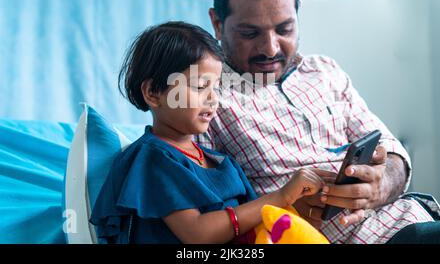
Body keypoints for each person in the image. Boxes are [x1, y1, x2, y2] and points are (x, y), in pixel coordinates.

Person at [196, 0, 440, 244]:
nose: (270, 48)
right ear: (217, 22)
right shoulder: (203, 98)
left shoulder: (324, 71)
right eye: (250, 33)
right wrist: (284, 207)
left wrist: (382, 183)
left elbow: (392, 151)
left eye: (284, 29)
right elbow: (207, 222)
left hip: (412, 219)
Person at [89, 21, 329, 244]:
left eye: (216, 87)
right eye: (200, 86)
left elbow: (256, 218)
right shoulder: (153, 158)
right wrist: (281, 197)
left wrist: (298, 209)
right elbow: (198, 233)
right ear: (153, 92)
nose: (214, 99)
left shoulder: (221, 162)